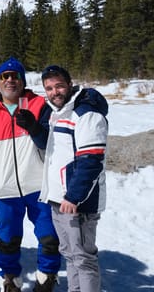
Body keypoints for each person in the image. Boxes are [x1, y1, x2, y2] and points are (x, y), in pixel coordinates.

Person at [0, 57, 61, 292]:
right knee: (8, 238)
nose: (10, 80)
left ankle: (47, 276)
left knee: (49, 236)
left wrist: (34, 128)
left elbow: (51, 143)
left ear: (23, 80)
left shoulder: (39, 105)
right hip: (5, 188)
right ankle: (10, 278)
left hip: (39, 186)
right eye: (5, 76)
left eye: (15, 76)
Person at [37, 65, 108, 292]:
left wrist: (74, 197)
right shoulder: (58, 113)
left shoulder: (86, 114)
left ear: (69, 85)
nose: (54, 92)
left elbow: (91, 160)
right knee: (69, 254)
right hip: (59, 199)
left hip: (77, 203)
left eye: (59, 86)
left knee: (83, 259)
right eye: (49, 88)